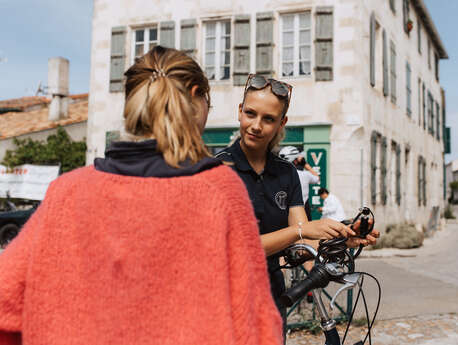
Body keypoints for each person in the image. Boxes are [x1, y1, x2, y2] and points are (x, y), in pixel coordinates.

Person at [0, 47, 283, 345]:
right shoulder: (219, 191)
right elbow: (258, 326)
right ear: (197, 98)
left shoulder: (67, 191)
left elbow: (6, 303)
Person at [216, 74, 379, 340]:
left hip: (272, 297)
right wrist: (300, 233)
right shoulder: (217, 170)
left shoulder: (286, 173)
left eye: (268, 119)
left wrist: (344, 238)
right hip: (222, 300)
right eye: (250, 113)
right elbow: (233, 248)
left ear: (282, 123)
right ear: (239, 112)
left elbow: (302, 246)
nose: (256, 125)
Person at [279, 146, 320, 221]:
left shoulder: (276, 175)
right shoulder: (304, 174)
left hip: (282, 214)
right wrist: (305, 164)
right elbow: (317, 178)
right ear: (295, 161)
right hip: (302, 213)